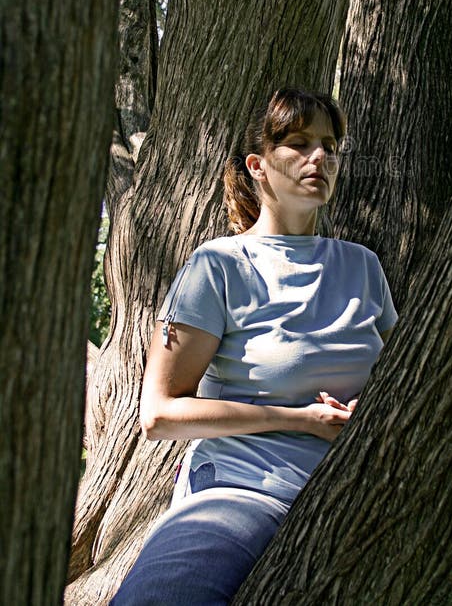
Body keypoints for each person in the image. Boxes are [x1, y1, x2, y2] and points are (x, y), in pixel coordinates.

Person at [112, 87, 397, 605]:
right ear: (258, 165)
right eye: (299, 143)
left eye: (331, 146)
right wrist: (298, 419)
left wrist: (363, 411)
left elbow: (402, 382)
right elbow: (159, 414)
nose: (320, 158)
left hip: (362, 494)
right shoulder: (218, 266)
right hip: (242, 491)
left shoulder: (363, 267)